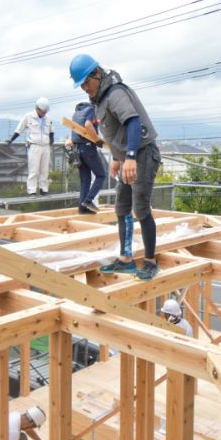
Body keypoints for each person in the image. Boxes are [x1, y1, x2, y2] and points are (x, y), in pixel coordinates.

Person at [68, 54, 161, 281]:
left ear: (97, 74)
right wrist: (119, 158)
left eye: (86, 83)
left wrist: (129, 156)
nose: (85, 88)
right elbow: (117, 130)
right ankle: (126, 259)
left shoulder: (115, 93)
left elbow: (133, 121)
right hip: (128, 157)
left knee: (140, 208)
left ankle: (150, 261)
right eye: (81, 85)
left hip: (142, 154)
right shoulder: (100, 100)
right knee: (121, 208)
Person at [64, 99, 106, 214]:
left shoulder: (76, 113)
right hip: (88, 148)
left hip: (77, 149)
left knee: (85, 180)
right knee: (101, 175)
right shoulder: (92, 109)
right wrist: (97, 140)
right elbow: (88, 124)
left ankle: (82, 209)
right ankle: (88, 200)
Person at [9, 97, 54, 196]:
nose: (44, 113)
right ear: (37, 108)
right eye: (43, 111)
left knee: (45, 169)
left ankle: (44, 189)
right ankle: (32, 190)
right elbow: (19, 129)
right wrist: (11, 139)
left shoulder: (48, 118)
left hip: (46, 146)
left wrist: (51, 140)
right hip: (34, 145)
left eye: (45, 111)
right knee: (34, 169)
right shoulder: (28, 116)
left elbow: (51, 131)